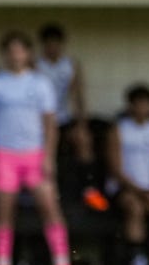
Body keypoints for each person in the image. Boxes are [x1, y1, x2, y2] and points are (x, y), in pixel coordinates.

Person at [0, 30, 77, 265]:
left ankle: (62, 264)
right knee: (4, 212)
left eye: (20, 50)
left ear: (28, 53)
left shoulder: (40, 84)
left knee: (50, 209)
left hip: (35, 155)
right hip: (5, 156)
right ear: (4, 55)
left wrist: (49, 156)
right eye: (10, 51)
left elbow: (50, 124)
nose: (15, 56)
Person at [36, 23, 103, 211]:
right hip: (40, 124)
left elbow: (78, 96)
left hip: (64, 119)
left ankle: (90, 190)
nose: (52, 48)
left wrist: (82, 124)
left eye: (56, 44)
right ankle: (46, 193)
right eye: (48, 44)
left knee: (83, 139)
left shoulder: (70, 65)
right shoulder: (36, 66)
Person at [108, 84, 149, 265]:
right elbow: (116, 169)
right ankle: (137, 261)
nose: (142, 108)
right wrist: (141, 192)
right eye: (138, 104)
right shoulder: (119, 130)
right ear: (131, 106)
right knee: (135, 208)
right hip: (125, 189)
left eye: (146, 104)